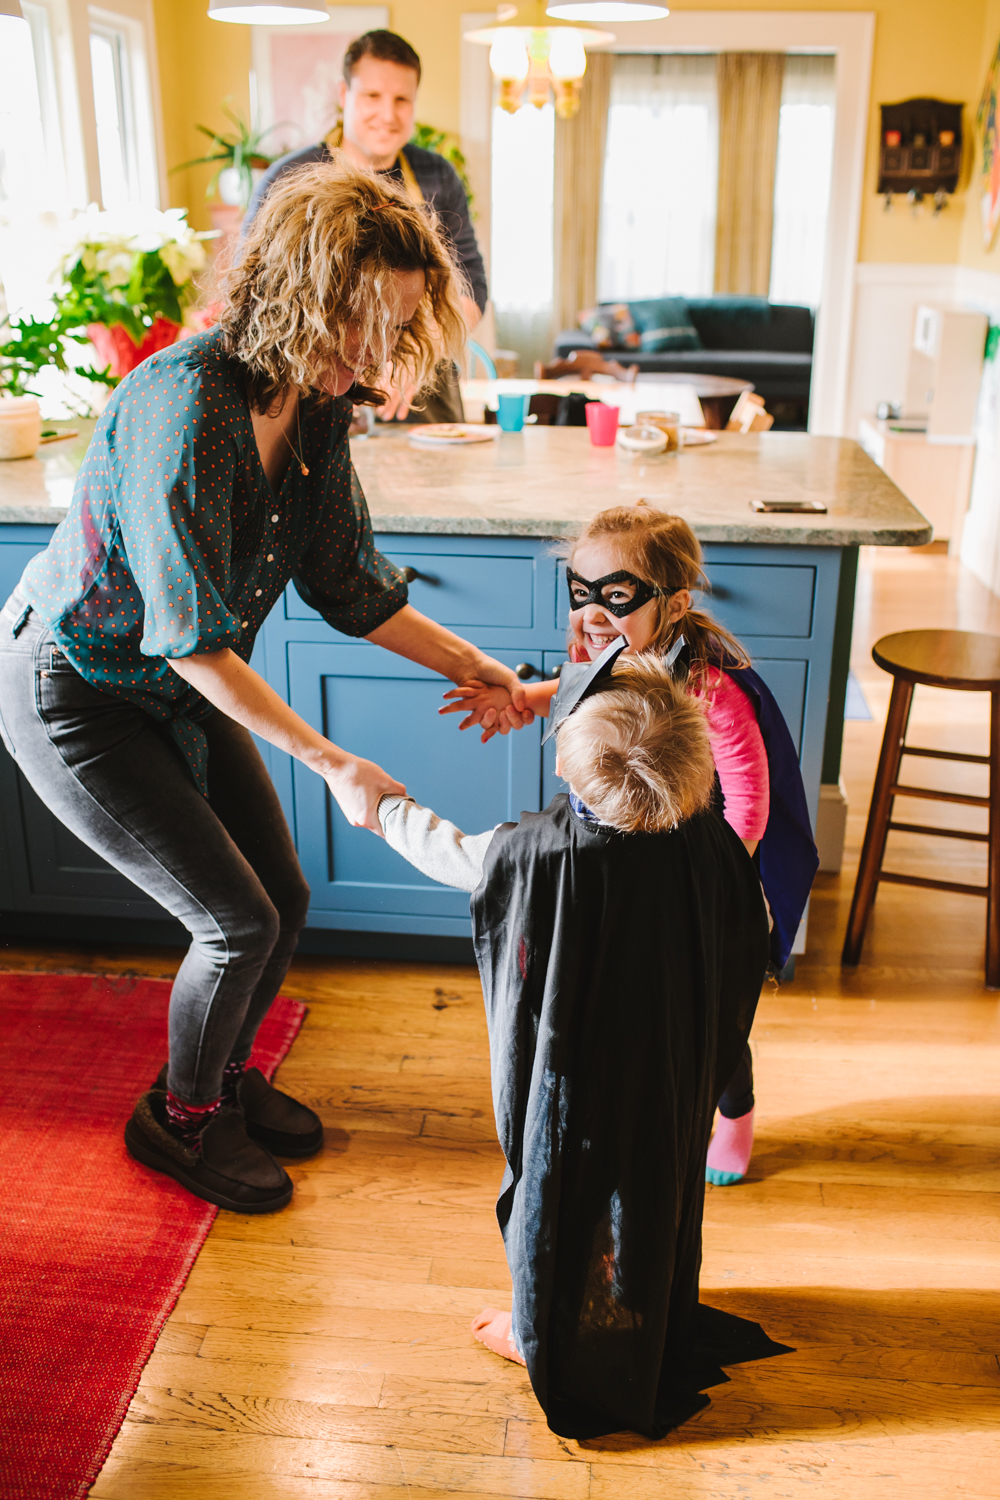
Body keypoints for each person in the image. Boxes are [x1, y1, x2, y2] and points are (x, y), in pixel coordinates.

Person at [0, 159, 528, 1215]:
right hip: (80, 694)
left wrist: (477, 667)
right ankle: (180, 1119)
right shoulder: (183, 403)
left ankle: (223, 1080)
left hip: (173, 683)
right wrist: (332, 762)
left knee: (281, 897)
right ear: (298, 293)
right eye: (358, 328)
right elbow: (191, 639)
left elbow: (346, 585)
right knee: (232, 921)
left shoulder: (318, 408)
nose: (374, 358)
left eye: (395, 330)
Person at [376, 652, 787, 1439]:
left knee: (558, 1202)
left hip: (572, 1072)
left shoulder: (536, 850)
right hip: (669, 1064)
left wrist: (386, 806)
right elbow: (750, 933)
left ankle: (542, 1338)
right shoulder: (709, 845)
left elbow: (451, 855)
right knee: (649, 1193)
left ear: (569, 765)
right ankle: (642, 1312)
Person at [443, 502, 819, 1187]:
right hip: (619, 870)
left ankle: (733, 1111)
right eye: (580, 593)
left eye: (616, 596)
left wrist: (708, 886)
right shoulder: (604, 656)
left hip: (699, 880)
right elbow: (590, 688)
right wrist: (530, 697)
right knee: (632, 997)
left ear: (673, 604)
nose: (591, 613)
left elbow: (750, 803)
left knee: (710, 1011)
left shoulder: (708, 686)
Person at [247, 27, 486, 424]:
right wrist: (359, 359)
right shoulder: (289, 177)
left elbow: (472, 286)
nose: (388, 114)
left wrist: (413, 354)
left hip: (419, 387)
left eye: (402, 100)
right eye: (373, 96)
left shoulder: (437, 176)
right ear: (344, 96)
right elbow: (257, 298)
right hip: (315, 390)